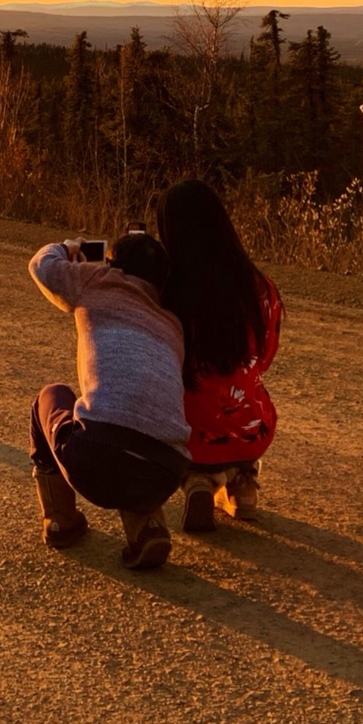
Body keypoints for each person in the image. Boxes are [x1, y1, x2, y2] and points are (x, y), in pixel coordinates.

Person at [25, 230, 190, 570]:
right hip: (165, 473)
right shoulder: (173, 323)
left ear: (113, 265)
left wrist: (70, 249)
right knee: (136, 428)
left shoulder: (96, 280)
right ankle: (149, 527)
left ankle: (61, 523)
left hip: (95, 461)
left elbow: (42, 265)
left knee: (52, 396)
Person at [155, 179, 283, 532]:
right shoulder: (259, 286)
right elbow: (264, 357)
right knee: (246, 393)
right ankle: (243, 483)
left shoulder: (166, 291)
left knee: (184, 403)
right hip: (250, 430)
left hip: (191, 435)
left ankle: (198, 481)